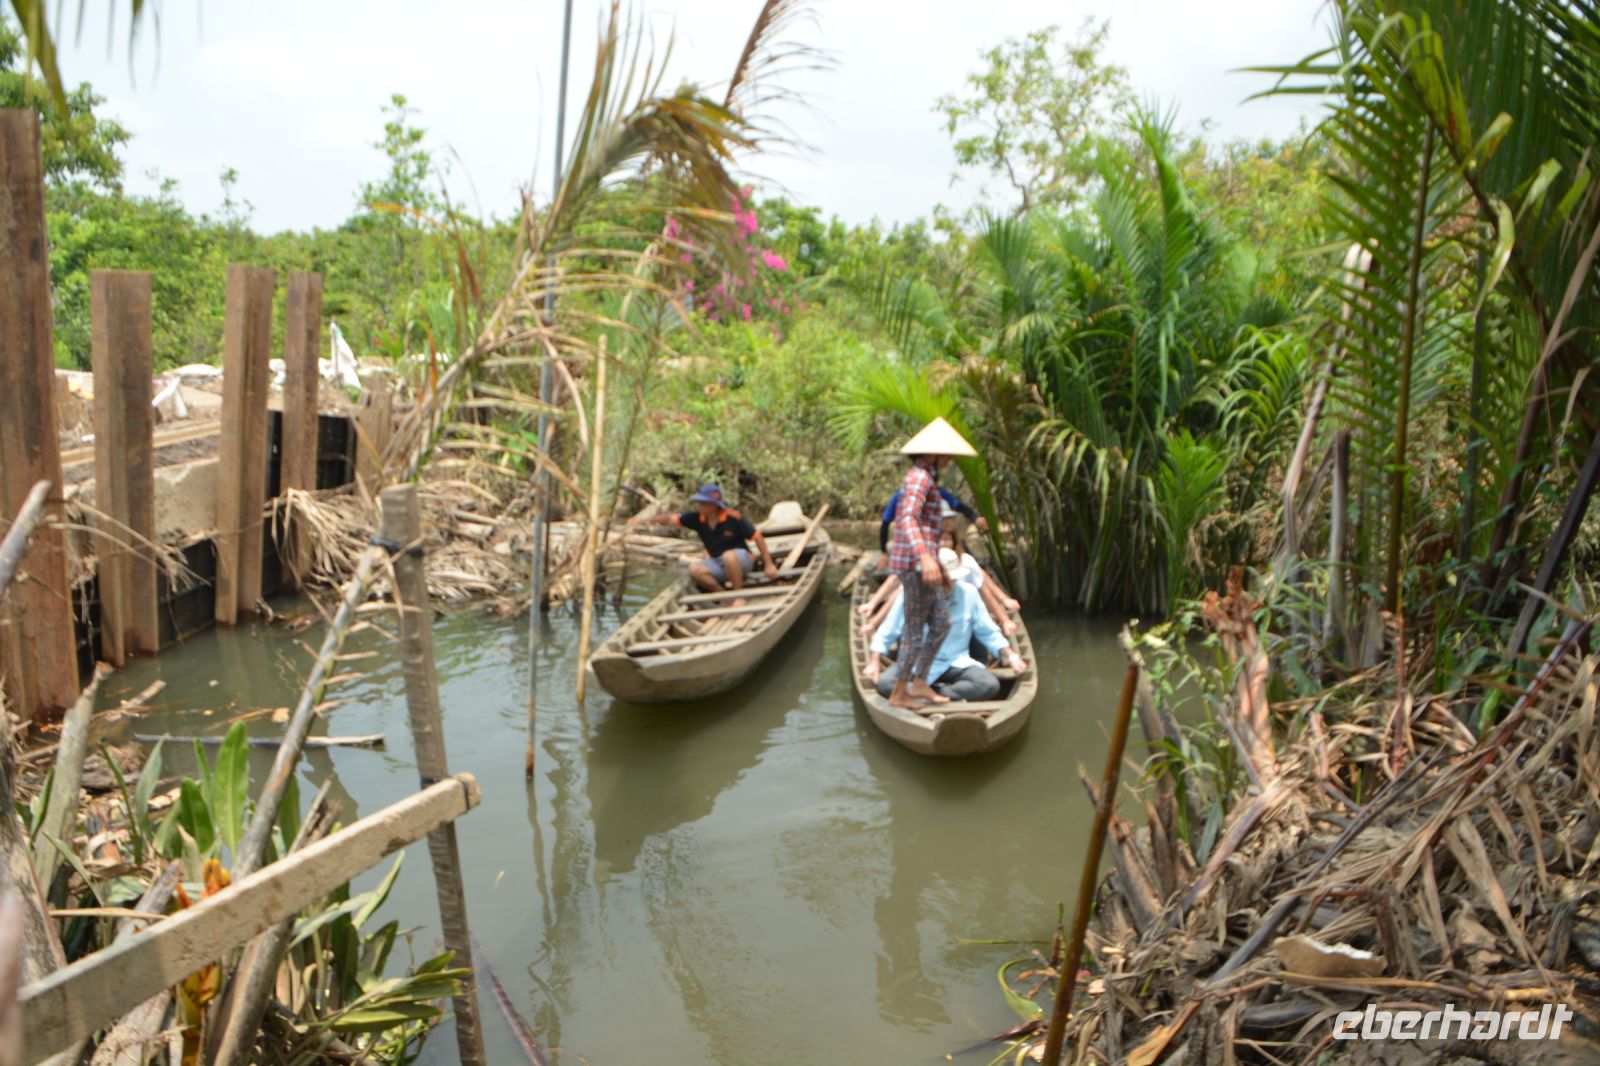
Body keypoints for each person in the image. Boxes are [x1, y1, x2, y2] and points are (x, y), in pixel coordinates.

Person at [885, 416, 977, 710]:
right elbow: (908, 518)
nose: (949, 458)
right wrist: (925, 558)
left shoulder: (928, 479)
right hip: (913, 565)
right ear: (932, 454)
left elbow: (927, 528)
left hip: (924, 561)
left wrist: (936, 562)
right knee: (914, 629)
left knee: (940, 623)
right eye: (946, 453)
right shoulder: (918, 478)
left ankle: (920, 682)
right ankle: (900, 691)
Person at [863, 547, 1027, 702]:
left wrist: (1010, 655)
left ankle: (935, 694)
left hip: (956, 662)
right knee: (885, 684)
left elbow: (988, 631)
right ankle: (925, 692)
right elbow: (889, 629)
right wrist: (874, 661)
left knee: (988, 685)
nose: (945, 585)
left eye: (950, 580)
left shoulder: (968, 593)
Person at [628, 483, 779, 602]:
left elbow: (757, 537)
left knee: (729, 556)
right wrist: (642, 521)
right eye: (699, 502)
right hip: (718, 562)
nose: (698, 506)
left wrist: (769, 564)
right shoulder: (696, 518)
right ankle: (724, 596)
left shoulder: (733, 518)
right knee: (694, 569)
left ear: (713, 505)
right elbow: (670, 519)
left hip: (742, 561)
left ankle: (738, 595)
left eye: (703, 503)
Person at [878, 485, 988, 552]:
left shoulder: (935, 490)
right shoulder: (902, 494)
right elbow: (885, 522)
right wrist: (883, 551)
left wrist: (975, 518)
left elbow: (956, 504)